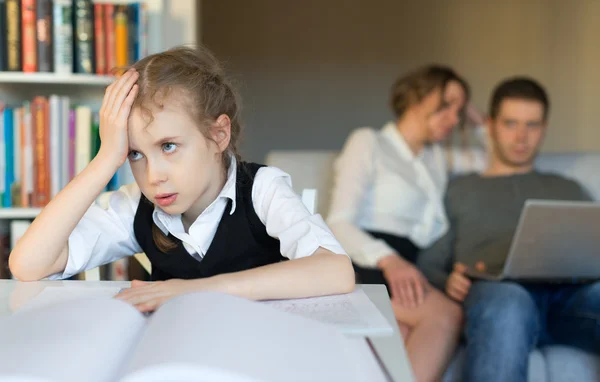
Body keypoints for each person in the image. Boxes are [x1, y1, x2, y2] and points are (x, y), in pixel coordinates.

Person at [9, 46, 355, 312]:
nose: (154, 176)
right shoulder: (135, 206)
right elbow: (28, 265)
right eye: (134, 154)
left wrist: (194, 289)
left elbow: (336, 271)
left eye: (169, 146)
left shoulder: (261, 190)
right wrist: (104, 160)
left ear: (218, 135)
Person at [418, 77, 599, 382]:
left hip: (570, 300)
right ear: (490, 125)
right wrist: (447, 280)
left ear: (545, 128)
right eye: (510, 123)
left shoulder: (568, 188)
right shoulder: (459, 189)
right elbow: (428, 262)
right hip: (498, 297)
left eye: (532, 125)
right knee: (508, 302)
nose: (521, 136)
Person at [327, 65, 471, 382]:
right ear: (420, 97)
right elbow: (338, 222)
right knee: (447, 315)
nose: (455, 118)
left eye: (460, 110)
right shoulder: (368, 142)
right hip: (365, 260)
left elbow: (491, 159)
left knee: (405, 335)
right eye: (447, 105)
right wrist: (391, 261)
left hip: (410, 268)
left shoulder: (437, 158)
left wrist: (479, 119)